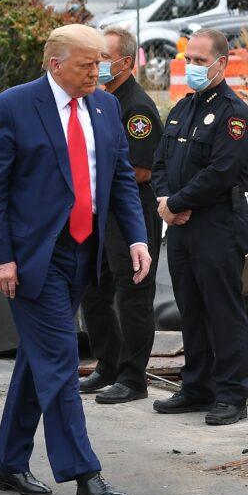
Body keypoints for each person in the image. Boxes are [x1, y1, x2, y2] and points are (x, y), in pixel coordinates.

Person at [0, 24, 151, 495]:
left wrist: (136, 236)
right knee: (59, 360)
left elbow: (118, 177)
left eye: (101, 63)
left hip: (85, 252)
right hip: (35, 258)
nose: (97, 71)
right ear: (56, 64)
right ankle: (85, 474)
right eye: (86, 64)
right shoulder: (13, 107)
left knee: (38, 360)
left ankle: (9, 461)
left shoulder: (106, 106)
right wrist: (1, 257)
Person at [151, 28, 248, 426]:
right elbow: (160, 163)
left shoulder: (232, 113)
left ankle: (230, 395)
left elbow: (222, 171)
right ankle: (197, 387)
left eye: (199, 60)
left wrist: (177, 203)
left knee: (222, 312)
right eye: (188, 60)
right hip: (179, 227)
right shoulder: (182, 109)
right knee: (190, 309)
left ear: (221, 63)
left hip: (217, 225)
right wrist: (166, 203)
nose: (192, 66)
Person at [79, 27, 163, 404]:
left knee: (132, 297)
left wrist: (93, 172)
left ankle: (132, 378)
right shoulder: (97, 101)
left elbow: (141, 170)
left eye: (103, 59)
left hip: (131, 211)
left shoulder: (137, 108)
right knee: (95, 292)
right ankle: (108, 364)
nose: (97, 66)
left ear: (125, 63)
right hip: (100, 212)